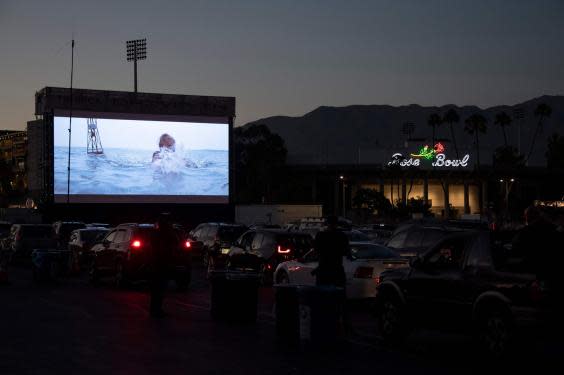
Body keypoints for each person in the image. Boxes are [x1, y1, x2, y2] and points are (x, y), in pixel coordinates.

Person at [149, 213, 177, 318]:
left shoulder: (155, 234)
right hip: (162, 263)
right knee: (159, 288)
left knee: (157, 289)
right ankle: (156, 309)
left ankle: (154, 309)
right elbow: (175, 242)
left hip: (157, 263)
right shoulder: (167, 234)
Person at [312, 215, 350, 287]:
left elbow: (316, 250)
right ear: (337, 223)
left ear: (327, 223)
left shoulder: (320, 235)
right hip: (336, 269)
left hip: (323, 269)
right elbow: (346, 251)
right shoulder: (342, 236)